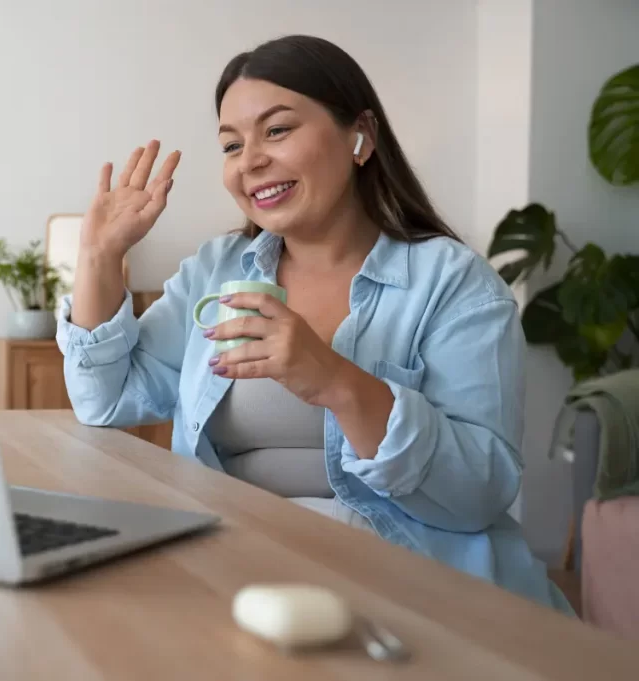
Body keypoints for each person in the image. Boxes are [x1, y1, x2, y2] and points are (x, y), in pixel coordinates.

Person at [55, 35, 573, 613]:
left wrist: (332, 379)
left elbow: (480, 492)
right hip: (236, 571)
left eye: (277, 130)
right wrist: (99, 257)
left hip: (406, 587)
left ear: (361, 137)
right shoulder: (217, 270)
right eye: (231, 145)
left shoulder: (454, 285)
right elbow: (106, 400)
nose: (250, 161)